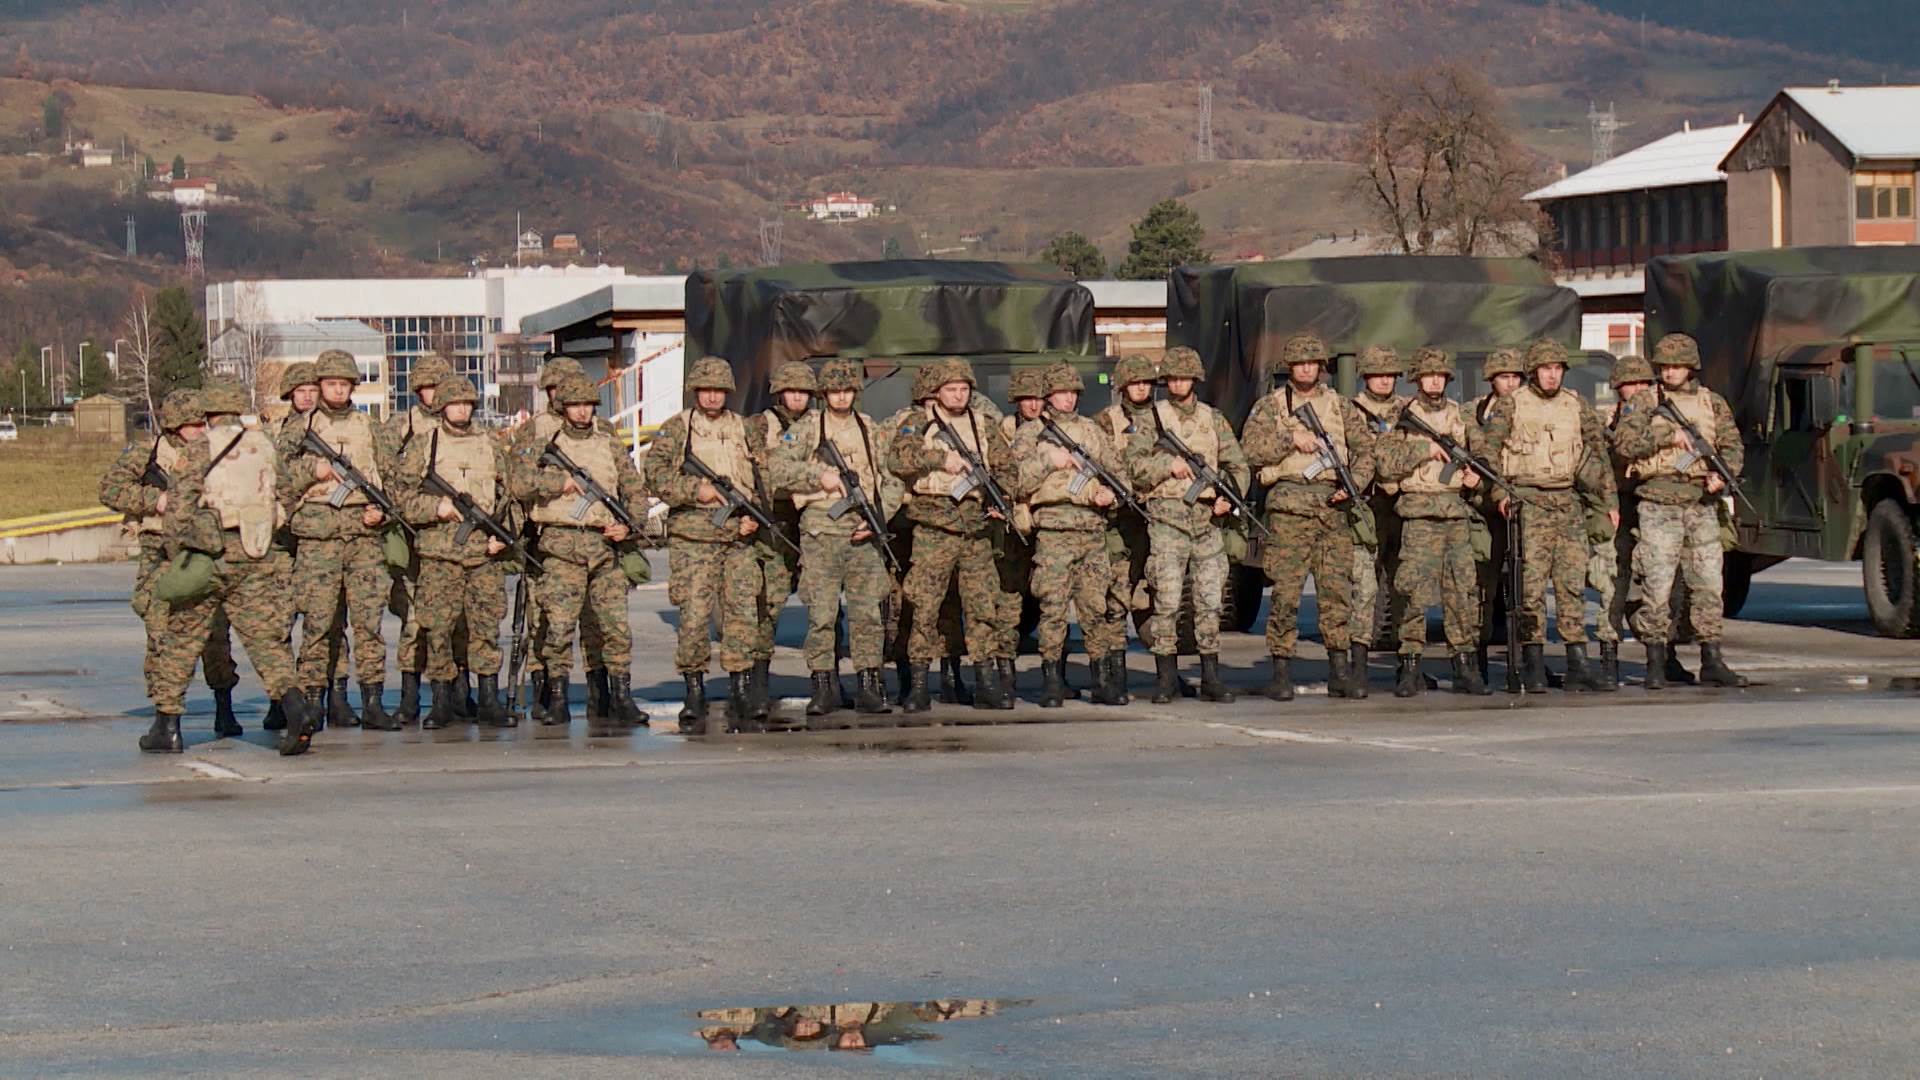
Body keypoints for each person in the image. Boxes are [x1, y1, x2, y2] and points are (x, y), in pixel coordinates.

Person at [146, 385, 313, 756]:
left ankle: (167, 726)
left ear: (207, 413)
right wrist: (268, 525)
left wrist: (179, 553)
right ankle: (294, 705)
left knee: (182, 638)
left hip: (209, 554)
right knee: (265, 640)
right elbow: (287, 495)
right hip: (255, 551)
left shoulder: (199, 448)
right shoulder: (264, 445)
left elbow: (179, 508)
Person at [1240, 333, 1376, 701]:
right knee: (1286, 594)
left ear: (1321, 367)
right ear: (1290, 367)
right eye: (1299, 363)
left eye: (1311, 363)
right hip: (1289, 509)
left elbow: (1365, 451)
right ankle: (1281, 671)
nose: (1305, 369)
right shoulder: (1271, 407)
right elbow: (1250, 449)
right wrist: (1291, 440)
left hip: (1332, 507)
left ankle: (1339, 671)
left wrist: (1353, 485)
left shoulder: (1341, 406)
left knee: (1336, 594)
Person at [100, 389, 242, 739]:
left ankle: (224, 705)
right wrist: (155, 500)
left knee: (215, 633)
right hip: (160, 549)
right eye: (192, 425)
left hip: (206, 548)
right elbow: (110, 489)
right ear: (174, 425)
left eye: (202, 423)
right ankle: (165, 714)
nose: (200, 429)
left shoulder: (218, 450)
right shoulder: (147, 453)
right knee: (160, 631)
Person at [768, 358, 901, 725]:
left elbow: (892, 478)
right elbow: (777, 467)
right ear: (824, 394)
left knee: (868, 614)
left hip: (863, 532)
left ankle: (869, 686)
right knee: (822, 615)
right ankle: (824, 686)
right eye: (835, 391)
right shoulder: (809, 428)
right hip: (821, 532)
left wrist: (880, 517)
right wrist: (818, 477)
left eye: (847, 391)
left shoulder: (870, 429)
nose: (842, 397)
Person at [1612, 332, 1749, 689]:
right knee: (1657, 585)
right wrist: (1667, 438)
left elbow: (1732, 446)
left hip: (1700, 502)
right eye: (1665, 366)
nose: (1670, 372)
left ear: (1691, 367)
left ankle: (1712, 658)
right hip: (1658, 502)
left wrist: (1722, 475)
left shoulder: (1711, 403)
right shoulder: (1645, 401)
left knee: (1708, 584)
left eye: (1677, 366)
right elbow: (1624, 443)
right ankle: (1656, 661)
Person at [641, 357, 770, 732]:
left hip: (738, 538)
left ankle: (741, 690)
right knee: (694, 618)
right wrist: (695, 489)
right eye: (706, 390)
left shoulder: (745, 428)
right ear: (695, 391)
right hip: (694, 540)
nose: (712, 397)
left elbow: (764, 474)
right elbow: (655, 474)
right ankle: (694, 692)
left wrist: (755, 514)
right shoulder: (678, 429)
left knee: (742, 616)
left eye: (718, 390)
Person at [1478, 339, 1616, 692]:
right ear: (1533, 371)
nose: (1552, 375)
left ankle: (1577, 662)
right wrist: (1500, 494)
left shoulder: (1576, 405)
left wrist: (1609, 502)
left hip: (1567, 501)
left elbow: (1598, 455)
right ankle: (1533, 661)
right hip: (1529, 501)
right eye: (1546, 369)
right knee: (1531, 587)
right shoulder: (1512, 404)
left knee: (1572, 584)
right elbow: (1488, 452)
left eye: (1557, 369)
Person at [515, 375, 649, 726]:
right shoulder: (545, 443)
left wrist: (630, 525)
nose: (582, 411)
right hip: (562, 548)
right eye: (575, 405)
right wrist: (559, 482)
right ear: (563, 407)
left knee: (615, 627)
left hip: (604, 547)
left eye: (588, 404)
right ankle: (557, 697)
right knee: (559, 628)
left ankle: (621, 697)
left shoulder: (609, 444)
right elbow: (519, 483)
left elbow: (634, 490)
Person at [278, 348, 398, 729]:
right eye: (331, 383)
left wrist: (383, 512)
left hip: (363, 535)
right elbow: (278, 476)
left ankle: (373, 701)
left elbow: (392, 477)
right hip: (319, 536)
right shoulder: (301, 427)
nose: (338, 390)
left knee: (368, 623)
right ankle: (314, 700)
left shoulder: (369, 427)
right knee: (318, 622)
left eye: (344, 384)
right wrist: (312, 470)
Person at [1123, 345, 1247, 704]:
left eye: (1184, 378)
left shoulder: (1213, 419)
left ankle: (1211, 677)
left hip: (1207, 521)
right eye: (1173, 378)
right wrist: (1168, 466)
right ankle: (1166, 679)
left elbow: (1237, 465)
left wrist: (1229, 497)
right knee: (1167, 600)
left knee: (1210, 601)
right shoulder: (1152, 419)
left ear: (1195, 379)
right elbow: (1133, 466)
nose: (1178, 383)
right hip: (1167, 519)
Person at [889, 357, 1014, 712]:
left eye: (963, 389)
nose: (959, 395)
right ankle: (918, 685)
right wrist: (940, 460)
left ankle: (986, 682)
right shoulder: (918, 423)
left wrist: (1002, 499)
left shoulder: (983, 425)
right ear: (937, 392)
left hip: (975, 529)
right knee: (924, 607)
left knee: (982, 607)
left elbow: (1006, 468)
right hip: (934, 528)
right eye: (951, 389)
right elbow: (898, 459)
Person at [396, 376, 519, 728]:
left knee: (486, 628)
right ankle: (441, 701)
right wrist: (435, 508)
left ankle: (489, 700)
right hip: (440, 556)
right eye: (455, 403)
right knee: (438, 630)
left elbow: (511, 495)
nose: (462, 409)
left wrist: (505, 535)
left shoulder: (490, 444)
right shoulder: (425, 445)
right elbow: (403, 497)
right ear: (442, 407)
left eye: (467, 403)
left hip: (483, 555)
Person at [1007, 361, 1129, 708]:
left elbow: (1119, 474)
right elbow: (1015, 482)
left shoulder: (1091, 431)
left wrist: (1111, 495)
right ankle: (1052, 681)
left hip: (1091, 529)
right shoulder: (1032, 434)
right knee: (1053, 609)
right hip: (1054, 531)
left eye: (1073, 392)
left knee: (1095, 608)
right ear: (1048, 395)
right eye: (1061, 392)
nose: (1068, 398)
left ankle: (1101, 680)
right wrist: (1050, 460)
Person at [1374, 348, 1489, 696]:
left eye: (1441, 375)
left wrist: (1477, 477)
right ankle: (1410, 665)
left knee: (1462, 592)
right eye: (1429, 375)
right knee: (1414, 594)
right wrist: (1423, 450)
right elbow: (1385, 463)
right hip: (1419, 514)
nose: (1436, 380)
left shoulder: (1460, 415)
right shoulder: (1402, 416)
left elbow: (1483, 454)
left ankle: (1465, 665)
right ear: (1417, 379)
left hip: (1454, 513)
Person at [507, 357, 609, 722]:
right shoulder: (534, 430)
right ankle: (545, 691)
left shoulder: (601, 429)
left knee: (597, 621)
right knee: (546, 621)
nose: (562, 393)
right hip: (546, 539)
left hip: (595, 536)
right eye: (554, 388)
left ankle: (602, 693)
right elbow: (517, 482)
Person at [377, 354, 454, 726]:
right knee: (413, 619)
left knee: (453, 618)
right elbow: (383, 474)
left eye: (439, 386)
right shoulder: (400, 426)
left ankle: (454, 693)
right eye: (428, 387)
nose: (434, 393)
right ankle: (409, 697)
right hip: (410, 533)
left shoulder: (460, 425)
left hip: (448, 535)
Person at [748, 361, 818, 719]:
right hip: (775, 520)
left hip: (815, 519)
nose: (798, 397)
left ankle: (826, 683)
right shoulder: (761, 425)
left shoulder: (820, 423)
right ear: (779, 393)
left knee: (823, 604)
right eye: (792, 391)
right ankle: (757, 682)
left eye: (803, 392)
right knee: (770, 602)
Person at [1585, 354, 1656, 690]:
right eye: (1631, 384)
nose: (1638, 389)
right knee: (1612, 583)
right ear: (1618, 387)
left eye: (1644, 383)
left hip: (1653, 506)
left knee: (1661, 587)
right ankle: (1609, 659)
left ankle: (1663, 655)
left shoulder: (1662, 419)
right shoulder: (1606, 423)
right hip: (1617, 508)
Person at [259, 361, 320, 732]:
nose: (308, 397)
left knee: (321, 623)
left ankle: (318, 697)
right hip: (284, 541)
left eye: (313, 390)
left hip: (320, 539)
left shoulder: (333, 428)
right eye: (301, 392)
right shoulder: (276, 433)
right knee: (279, 623)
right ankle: (280, 698)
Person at [1095, 354, 1159, 700]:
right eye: (1135, 383)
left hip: (1158, 520)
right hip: (1121, 521)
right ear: (1122, 386)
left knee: (1161, 597)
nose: (1141, 388)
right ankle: (1114, 673)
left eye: (1146, 382)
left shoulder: (1164, 417)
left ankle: (1166, 672)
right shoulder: (1107, 421)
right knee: (1117, 597)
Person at [1348, 344, 1410, 674]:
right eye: (1378, 374)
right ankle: (1357, 662)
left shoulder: (1408, 410)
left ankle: (1407, 661)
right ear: (1366, 377)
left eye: (1390, 375)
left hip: (1402, 506)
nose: (1385, 380)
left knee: (1404, 585)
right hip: (1366, 505)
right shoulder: (1350, 411)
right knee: (1363, 586)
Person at [1469, 346, 1525, 681]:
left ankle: (1525, 660)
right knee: (1482, 588)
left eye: (1517, 376)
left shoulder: (1531, 409)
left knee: (1524, 588)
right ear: (1492, 379)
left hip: (1520, 508)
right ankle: (1478, 660)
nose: (1512, 383)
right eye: (1505, 377)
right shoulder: (1472, 412)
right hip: (1484, 510)